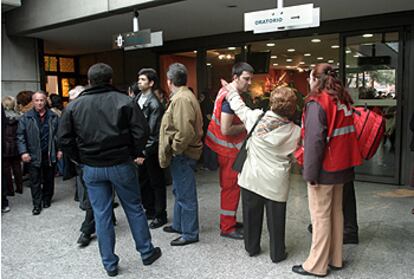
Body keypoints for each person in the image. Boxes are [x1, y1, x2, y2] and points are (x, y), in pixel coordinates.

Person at [58, 63, 161, 276]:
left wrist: (81, 159)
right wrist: (133, 153)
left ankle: (109, 264)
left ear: (89, 81)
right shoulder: (125, 101)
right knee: (133, 207)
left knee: (102, 214)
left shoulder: (75, 106)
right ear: (110, 80)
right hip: (121, 163)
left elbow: (64, 139)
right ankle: (146, 251)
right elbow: (141, 132)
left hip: (92, 166)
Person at [292, 64, 362, 277]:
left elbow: (314, 142)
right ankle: (335, 258)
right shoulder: (343, 100)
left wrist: (310, 173)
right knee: (335, 213)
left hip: (325, 169)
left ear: (315, 79)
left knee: (320, 216)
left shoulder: (317, 103)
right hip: (342, 167)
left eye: (309, 78)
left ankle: (316, 265)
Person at [225, 86, 300, 263]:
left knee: (251, 216)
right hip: (276, 182)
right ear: (292, 108)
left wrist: (230, 89)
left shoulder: (255, 118)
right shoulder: (295, 131)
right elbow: (296, 156)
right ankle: (277, 253)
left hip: (251, 177)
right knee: (276, 221)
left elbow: (238, 106)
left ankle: (251, 248)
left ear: (272, 102)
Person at [205, 62, 254, 240]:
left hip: (222, 148)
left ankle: (228, 220)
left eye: (251, 79)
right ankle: (227, 227)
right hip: (228, 151)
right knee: (230, 188)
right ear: (235, 77)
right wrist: (249, 124)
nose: (249, 83)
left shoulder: (226, 90)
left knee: (229, 187)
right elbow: (226, 129)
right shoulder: (231, 99)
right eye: (246, 79)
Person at [159, 63, 203, 246]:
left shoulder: (182, 99)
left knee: (185, 195)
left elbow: (185, 132)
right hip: (183, 153)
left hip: (183, 154)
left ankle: (190, 233)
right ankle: (179, 225)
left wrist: (175, 149)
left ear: (169, 81)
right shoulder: (184, 96)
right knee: (179, 191)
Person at [16, 91, 62, 215]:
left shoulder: (53, 116)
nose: (39, 103)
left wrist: (60, 150)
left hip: (49, 153)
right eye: (36, 100)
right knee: (35, 181)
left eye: (41, 100)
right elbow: (20, 136)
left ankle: (47, 199)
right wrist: (23, 152)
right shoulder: (26, 117)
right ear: (33, 102)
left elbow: (59, 135)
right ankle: (37, 204)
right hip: (33, 154)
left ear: (45, 101)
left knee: (49, 179)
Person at [134, 68, 167, 229]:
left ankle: (160, 214)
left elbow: (153, 132)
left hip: (150, 150)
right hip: (140, 149)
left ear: (151, 83)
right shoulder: (138, 97)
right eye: (139, 79)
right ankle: (150, 210)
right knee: (143, 181)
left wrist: (144, 152)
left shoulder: (154, 103)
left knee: (156, 182)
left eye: (143, 80)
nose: (139, 82)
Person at [2, 96, 23, 196]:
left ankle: (10, 190)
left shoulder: (2, 118)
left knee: (6, 169)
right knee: (17, 167)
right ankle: (19, 187)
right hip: (16, 145)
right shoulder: (19, 116)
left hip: (5, 146)